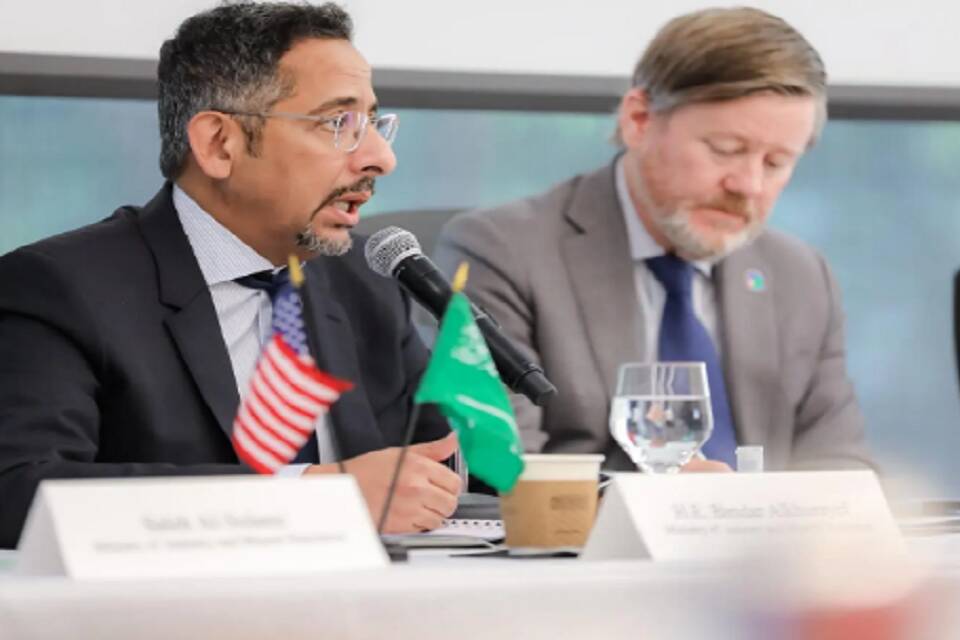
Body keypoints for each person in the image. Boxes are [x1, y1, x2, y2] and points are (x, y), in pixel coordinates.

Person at [0, 2, 460, 549]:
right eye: (339, 123)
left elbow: (442, 465)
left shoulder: (367, 279)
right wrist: (317, 496)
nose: (381, 158)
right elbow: (20, 491)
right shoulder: (58, 287)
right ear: (220, 144)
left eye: (375, 124)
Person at [434, 7, 873, 473]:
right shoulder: (501, 252)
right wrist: (654, 502)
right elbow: (498, 467)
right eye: (725, 150)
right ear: (639, 119)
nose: (749, 185)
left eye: (776, 163)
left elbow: (841, 467)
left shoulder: (800, 275)